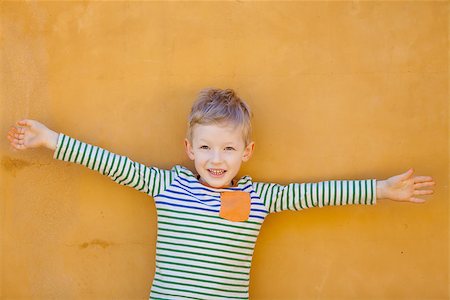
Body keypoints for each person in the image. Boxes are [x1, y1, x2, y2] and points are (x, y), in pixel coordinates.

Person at [6, 88, 435, 299]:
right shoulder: (167, 185)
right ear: (188, 148)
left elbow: (314, 193)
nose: (217, 159)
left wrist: (379, 189)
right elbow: (112, 163)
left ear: (246, 153)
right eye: (206, 147)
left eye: (228, 148)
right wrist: (51, 140)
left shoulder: (258, 198)